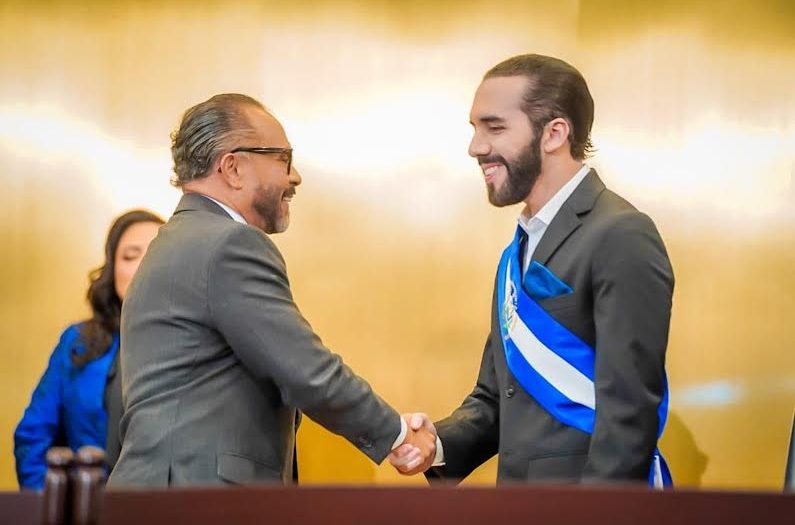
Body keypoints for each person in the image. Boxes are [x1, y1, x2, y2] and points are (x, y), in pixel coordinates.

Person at [107, 94, 435, 487]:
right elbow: (306, 371)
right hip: (196, 499)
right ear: (233, 167)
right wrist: (397, 436)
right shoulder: (228, 244)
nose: (294, 177)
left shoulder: (175, 241)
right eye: (283, 159)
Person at [390, 54, 674, 486]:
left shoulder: (620, 234)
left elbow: (629, 413)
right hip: (519, 505)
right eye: (475, 128)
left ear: (554, 133)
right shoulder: (517, 251)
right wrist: (437, 444)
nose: (475, 147)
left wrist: (598, 514)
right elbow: (496, 398)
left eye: (494, 128)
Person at [14, 210, 164, 490]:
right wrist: (56, 505)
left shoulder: (200, 343)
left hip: (162, 505)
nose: (145, 265)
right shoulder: (77, 342)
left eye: (158, 253)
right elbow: (33, 437)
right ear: (112, 269)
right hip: (86, 502)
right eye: (131, 256)